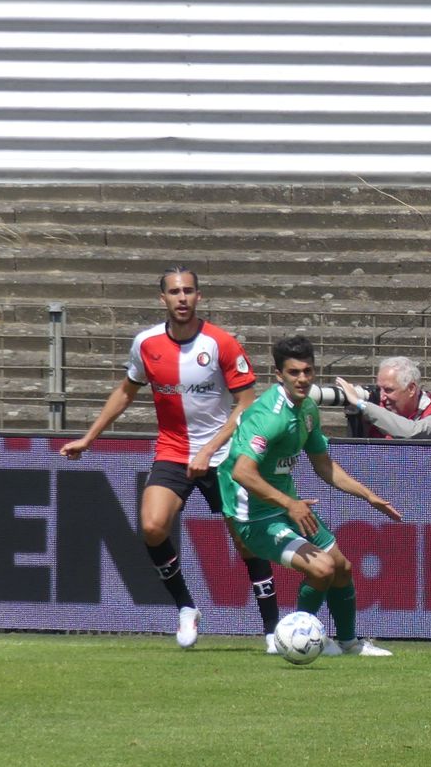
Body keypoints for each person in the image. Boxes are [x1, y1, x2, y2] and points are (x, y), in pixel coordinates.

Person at [60, 268, 281, 651]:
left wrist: (210, 449)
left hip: (224, 454)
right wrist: (89, 437)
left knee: (246, 543)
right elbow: (126, 393)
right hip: (174, 451)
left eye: (189, 291)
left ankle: (272, 630)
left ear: (199, 296)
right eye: (175, 292)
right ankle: (185, 608)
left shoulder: (221, 343)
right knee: (152, 526)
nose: (182, 298)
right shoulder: (146, 343)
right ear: (162, 298)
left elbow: (246, 406)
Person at [220, 334, 404, 657]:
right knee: (321, 569)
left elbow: (324, 465)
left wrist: (368, 496)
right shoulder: (268, 416)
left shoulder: (307, 409)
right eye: (294, 372)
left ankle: (349, 643)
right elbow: (242, 473)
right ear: (279, 375)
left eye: (308, 371)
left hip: (287, 506)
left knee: (342, 567)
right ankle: (289, 639)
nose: (302, 379)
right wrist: (290, 504)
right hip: (255, 516)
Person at [333, 356, 431, 440]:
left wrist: (360, 403)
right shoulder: (379, 407)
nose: (382, 397)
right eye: (379, 389)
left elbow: (410, 432)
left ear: (411, 389)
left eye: (388, 390)